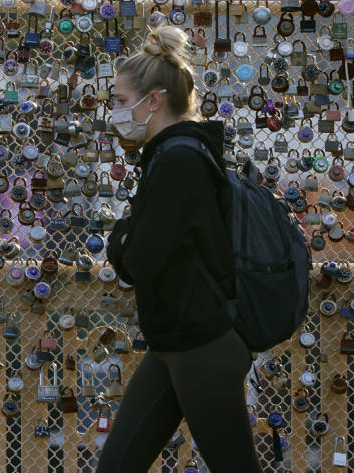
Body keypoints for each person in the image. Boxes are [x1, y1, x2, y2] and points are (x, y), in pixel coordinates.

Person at [95, 26, 263, 473]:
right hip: (174, 341)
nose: (113, 111)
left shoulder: (177, 161)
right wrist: (129, 238)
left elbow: (138, 263)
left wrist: (120, 238)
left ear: (153, 100)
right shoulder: (171, 155)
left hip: (201, 345)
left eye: (119, 99)